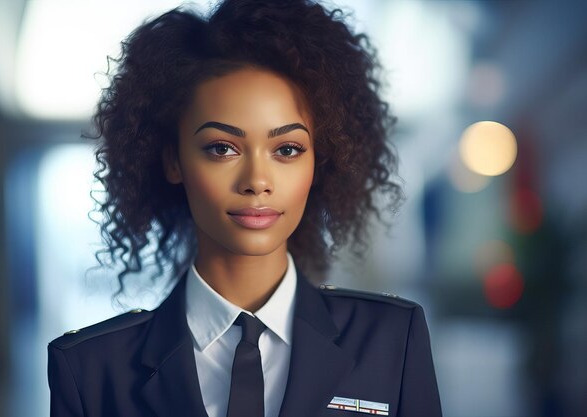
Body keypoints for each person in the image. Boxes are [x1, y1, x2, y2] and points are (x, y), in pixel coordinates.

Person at [47, 0, 442, 416]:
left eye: (287, 149)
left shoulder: (392, 340)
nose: (257, 180)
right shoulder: (90, 369)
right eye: (222, 148)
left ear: (318, 161)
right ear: (173, 161)